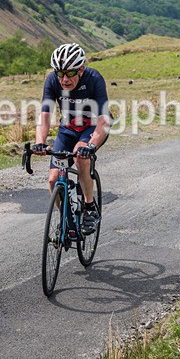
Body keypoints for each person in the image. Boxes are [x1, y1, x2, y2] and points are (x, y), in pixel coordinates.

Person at [32, 43, 111, 234]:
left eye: (69, 73)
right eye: (60, 73)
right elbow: (44, 116)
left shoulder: (94, 79)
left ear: (81, 69)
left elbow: (104, 120)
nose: (64, 79)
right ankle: (66, 218)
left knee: (79, 156)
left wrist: (91, 145)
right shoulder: (52, 80)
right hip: (68, 129)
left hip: (92, 128)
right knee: (52, 181)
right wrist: (40, 142)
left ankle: (90, 207)